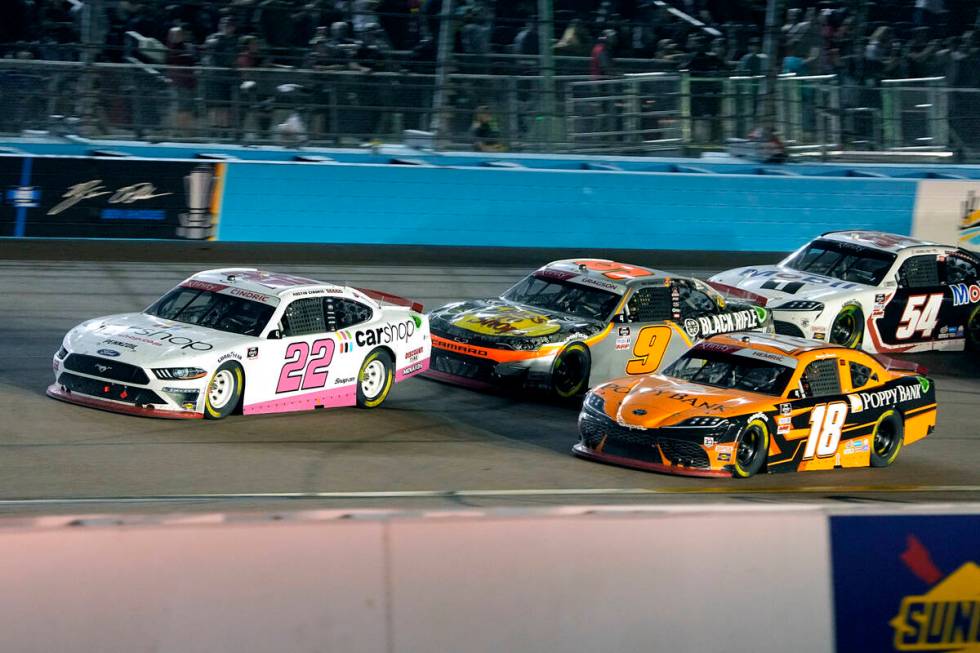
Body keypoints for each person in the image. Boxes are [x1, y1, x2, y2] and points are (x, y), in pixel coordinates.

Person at [166, 26, 198, 137]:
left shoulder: (188, 47)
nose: (175, 37)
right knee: (178, 108)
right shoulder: (169, 49)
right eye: (173, 35)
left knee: (187, 109)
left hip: (188, 83)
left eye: (178, 34)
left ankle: (186, 132)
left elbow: (192, 59)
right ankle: (178, 131)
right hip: (176, 83)